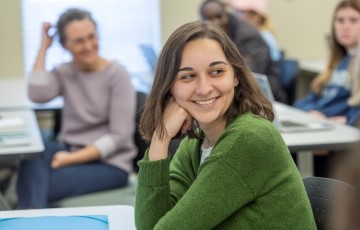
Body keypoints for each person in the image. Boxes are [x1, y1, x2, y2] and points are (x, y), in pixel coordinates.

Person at [134, 20, 316, 229]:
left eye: (216, 72)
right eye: (188, 76)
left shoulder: (250, 139)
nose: (204, 89)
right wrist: (160, 139)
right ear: (170, 87)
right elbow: (149, 225)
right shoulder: (195, 144)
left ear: (235, 76)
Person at [16, 8, 137, 209]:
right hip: (71, 149)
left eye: (92, 37)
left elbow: (119, 137)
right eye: (78, 41)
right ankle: (30, 216)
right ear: (65, 45)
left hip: (110, 164)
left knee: (36, 184)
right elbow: (36, 95)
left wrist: (69, 159)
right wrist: (44, 47)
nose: (89, 45)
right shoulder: (65, 72)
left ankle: (27, 217)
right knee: (34, 151)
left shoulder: (117, 74)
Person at [199, 0, 288, 103]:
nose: (216, 22)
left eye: (219, 16)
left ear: (227, 13)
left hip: (261, 98)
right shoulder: (210, 36)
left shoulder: (247, 35)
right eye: (209, 19)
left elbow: (249, 73)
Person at [293, 0, 360, 125]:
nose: (345, 26)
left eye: (353, 20)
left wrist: (348, 120)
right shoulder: (337, 64)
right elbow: (302, 102)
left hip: (339, 131)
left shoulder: (357, 65)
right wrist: (311, 111)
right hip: (319, 123)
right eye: (340, 20)